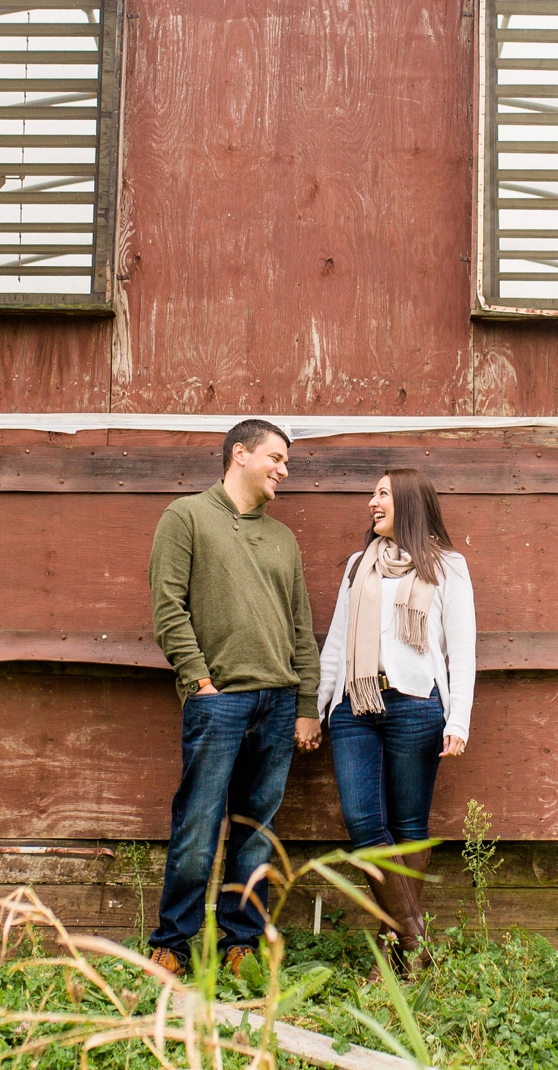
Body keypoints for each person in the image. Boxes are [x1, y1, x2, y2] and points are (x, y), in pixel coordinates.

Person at [146, 418, 323, 976]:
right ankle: (173, 945)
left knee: (255, 834)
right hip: (218, 702)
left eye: (287, 462)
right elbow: (168, 608)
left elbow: (301, 627)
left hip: (277, 702)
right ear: (240, 454)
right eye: (276, 458)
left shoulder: (283, 538)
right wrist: (199, 682)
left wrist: (306, 703)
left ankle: (240, 943)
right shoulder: (187, 518)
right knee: (197, 827)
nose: (283, 470)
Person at [317, 467, 476, 974]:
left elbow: (462, 650)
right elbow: (336, 644)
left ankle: (394, 946)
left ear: (407, 502)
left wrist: (459, 721)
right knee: (364, 822)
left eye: (381, 494)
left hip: (415, 705)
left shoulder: (448, 566)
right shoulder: (356, 565)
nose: (371, 502)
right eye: (372, 493)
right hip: (354, 707)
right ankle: (414, 940)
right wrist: (317, 707)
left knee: (408, 824)